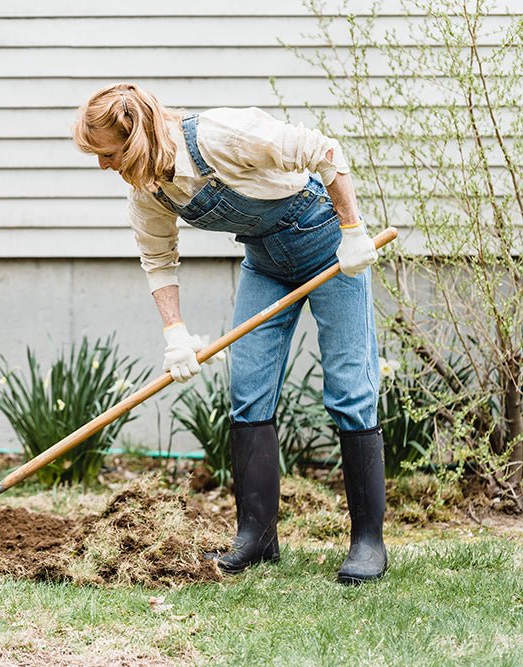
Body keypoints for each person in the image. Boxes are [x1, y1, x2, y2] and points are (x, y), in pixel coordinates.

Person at [72, 83, 386, 585]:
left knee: (350, 389)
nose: (104, 166)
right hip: (266, 264)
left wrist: (352, 230)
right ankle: (256, 537)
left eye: (107, 154)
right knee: (248, 393)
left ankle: (368, 543)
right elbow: (158, 260)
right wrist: (176, 333)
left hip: (330, 249)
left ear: (131, 140)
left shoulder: (221, 135)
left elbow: (324, 151)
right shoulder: (150, 188)